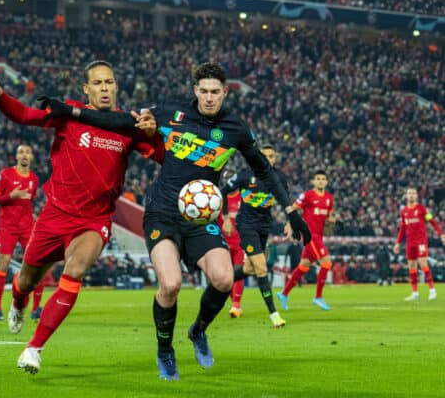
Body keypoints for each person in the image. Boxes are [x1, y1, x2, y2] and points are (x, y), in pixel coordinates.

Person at [45, 62, 311, 380]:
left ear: (225, 92)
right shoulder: (170, 114)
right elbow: (119, 121)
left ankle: (198, 330)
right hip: (163, 213)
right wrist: (71, 113)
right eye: (204, 91)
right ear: (195, 91)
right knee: (170, 285)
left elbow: (264, 170)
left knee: (224, 279)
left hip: (201, 219)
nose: (210, 98)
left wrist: (292, 211)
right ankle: (165, 350)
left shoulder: (236, 130)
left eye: (216, 92)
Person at [0, 61, 163, 375]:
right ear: (86, 89)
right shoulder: (70, 114)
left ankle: (33, 348)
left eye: (109, 82)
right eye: (98, 83)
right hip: (55, 216)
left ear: (117, 87)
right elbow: (25, 115)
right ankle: (18, 304)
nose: (104, 88)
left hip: (95, 220)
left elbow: (162, 156)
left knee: (74, 271)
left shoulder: (129, 125)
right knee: (25, 281)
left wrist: (155, 134)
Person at [220, 144, 287, 327]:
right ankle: (274, 314)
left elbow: (286, 200)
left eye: (271, 156)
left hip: (264, 227)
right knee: (261, 267)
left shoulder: (279, 178)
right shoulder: (244, 175)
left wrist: (289, 221)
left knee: (249, 269)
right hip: (246, 225)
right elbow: (223, 192)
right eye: (263, 156)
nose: (267, 159)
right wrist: (226, 218)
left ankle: (220, 282)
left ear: (275, 159)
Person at [0, 144, 47, 321]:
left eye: (28, 152)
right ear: (16, 156)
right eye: (21, 152)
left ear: (31, 158)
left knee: (37, 263)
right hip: (7, 227)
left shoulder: (34, 179)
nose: (24, 155)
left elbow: (30, 200)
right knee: (3, 264)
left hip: (27, 227)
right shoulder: (6, 174)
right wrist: (10, 196)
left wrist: (33, 216)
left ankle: (36, 309)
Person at [277, 170, 336, 311]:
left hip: (319, 236)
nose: (321, 181)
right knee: (327, 264)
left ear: (326, 181)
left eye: (323, 178)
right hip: (310, 236)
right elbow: (293, 208)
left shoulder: (329, 198)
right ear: (313, 181)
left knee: (303, 266)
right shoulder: (308, 195)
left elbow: (330, 216)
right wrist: (289, 224)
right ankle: (318, 297)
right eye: (318, 179)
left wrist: (332, 220)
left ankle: (284, 294)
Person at [393, 187, 445, 301]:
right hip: (410, 242)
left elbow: (433, 222)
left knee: (423, 264)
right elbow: (402, 228)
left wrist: (441, 234)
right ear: (406, 196)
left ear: (416, 196)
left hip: (421, 241)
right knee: (411, 267)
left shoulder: (422, 209)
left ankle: (432, 290)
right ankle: (415, 293)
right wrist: (397, 243)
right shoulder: (404, 212)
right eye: (409, 193)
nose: (411, 195)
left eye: (413, 193)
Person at [216, 170, 244, 318]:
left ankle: (236, 305)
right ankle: (234, 302)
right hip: (223, 243)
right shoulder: (218, 199)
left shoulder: (244, 197)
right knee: (225, 277)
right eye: (226, 178)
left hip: (240, 243)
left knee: (239, 272)